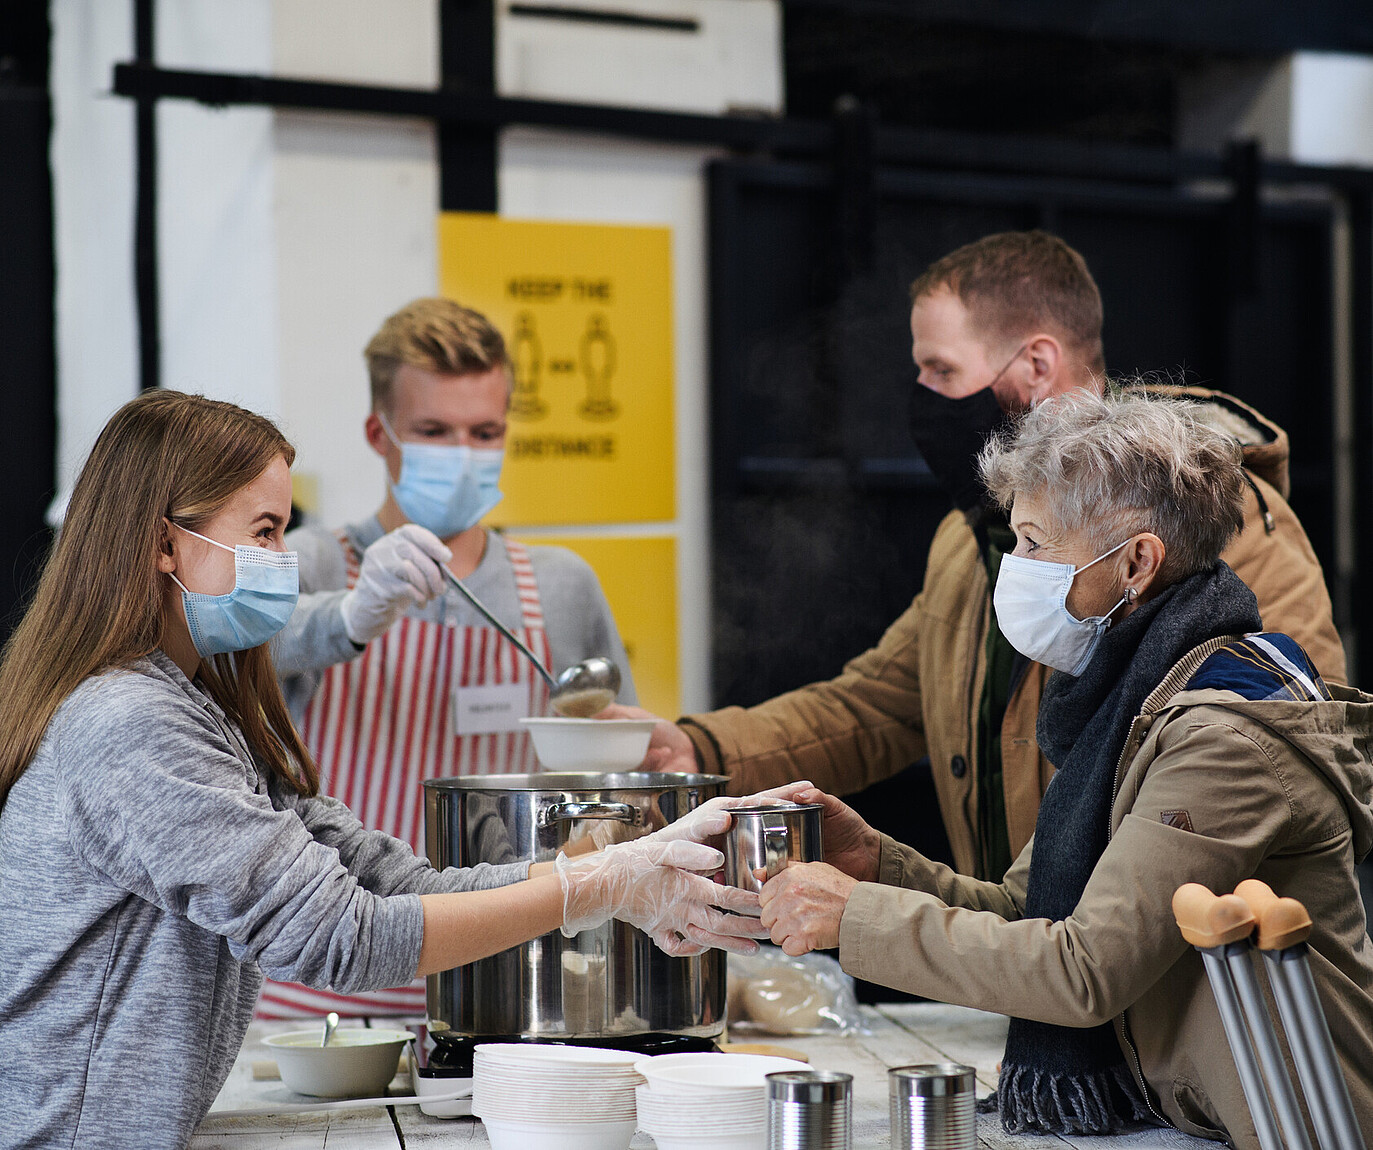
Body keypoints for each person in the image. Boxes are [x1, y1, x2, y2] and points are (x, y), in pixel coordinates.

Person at [0, 390, 774, 1150]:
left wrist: (614, 873)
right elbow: (341, 934)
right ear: (164, 543)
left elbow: (395, 883)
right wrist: (594, 886)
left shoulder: (196, 709)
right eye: (264, 532)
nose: (279, 561)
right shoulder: (130, 723)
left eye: (283, 532)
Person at [612, 231, 1345, 883]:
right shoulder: (972, 539)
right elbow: (880, 704)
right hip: (1021, 969)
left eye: (941, 369)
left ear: (1034, 364)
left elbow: (1296, 763)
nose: (923, 397)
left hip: (1151, 990)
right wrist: (696, 748)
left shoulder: (1221, 525)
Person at [756, 391, 1373, 1148]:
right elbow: (1031, 915)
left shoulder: (1222, 734)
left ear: (1136, 563)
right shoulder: (1133, 695)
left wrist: (851, 916)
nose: (1012, 570)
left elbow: (1083, 970)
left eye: (1033, 543)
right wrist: (877, 865)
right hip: (1190, 1117)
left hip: (1291, 1125)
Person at [267, 298, 636, 1016]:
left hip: (507, 985)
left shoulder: (560, 585)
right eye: (434, 432)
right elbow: (226, 656)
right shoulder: (307, 564)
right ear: (380, 433)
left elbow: (605, 781)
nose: (462, 456)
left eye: (484, 433)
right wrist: (350, 613)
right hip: (322, 991)